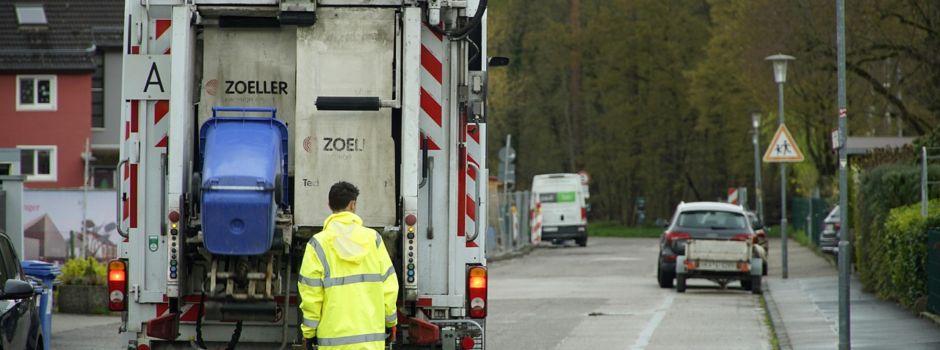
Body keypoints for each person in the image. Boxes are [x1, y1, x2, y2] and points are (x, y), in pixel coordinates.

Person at [298, 182, 399, 349]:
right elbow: (389, 289)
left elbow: (311, 295)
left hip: (333, 343)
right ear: (353, 204)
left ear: (329, 205)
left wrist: (308, 334)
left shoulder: (317, 244)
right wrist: (391, 322)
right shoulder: (373, 239)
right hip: (371, 343)